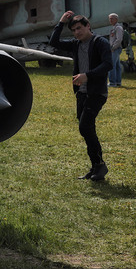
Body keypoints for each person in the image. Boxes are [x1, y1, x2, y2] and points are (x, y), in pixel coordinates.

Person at [49, 11, 113, 181]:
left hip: (96, 93)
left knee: (85, 127)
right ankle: (96, 166)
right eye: (74, 30)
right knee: (86, 129)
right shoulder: (76, 44)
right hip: (81, 93)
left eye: (79, 28)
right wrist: (61, 23)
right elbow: (53, 42)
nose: (77, 32)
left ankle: (99, 165)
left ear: (88, 26)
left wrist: (87, 76)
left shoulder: (100, 42)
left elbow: (108, 64)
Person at [107, 13, 123, 87]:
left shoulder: (118, 28)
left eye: (112, 19)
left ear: (116, 19)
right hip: (115, 48)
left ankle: (112, 82)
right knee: (117, 66)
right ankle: (118, 82)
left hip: (115, 49)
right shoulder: (114, 27)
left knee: (111, 65)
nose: (110, 20)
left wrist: (113, 48)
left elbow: (119, 39)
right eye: (109, 19)